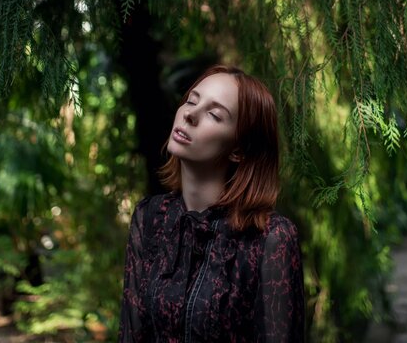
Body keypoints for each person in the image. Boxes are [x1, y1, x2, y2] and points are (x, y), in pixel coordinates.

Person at [118, 65, 305, 342]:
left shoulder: (272, 238)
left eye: (214, 114)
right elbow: (131, 335)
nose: (190, 114)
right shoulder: (149, 217)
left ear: (239, 150)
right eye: (192, 100)